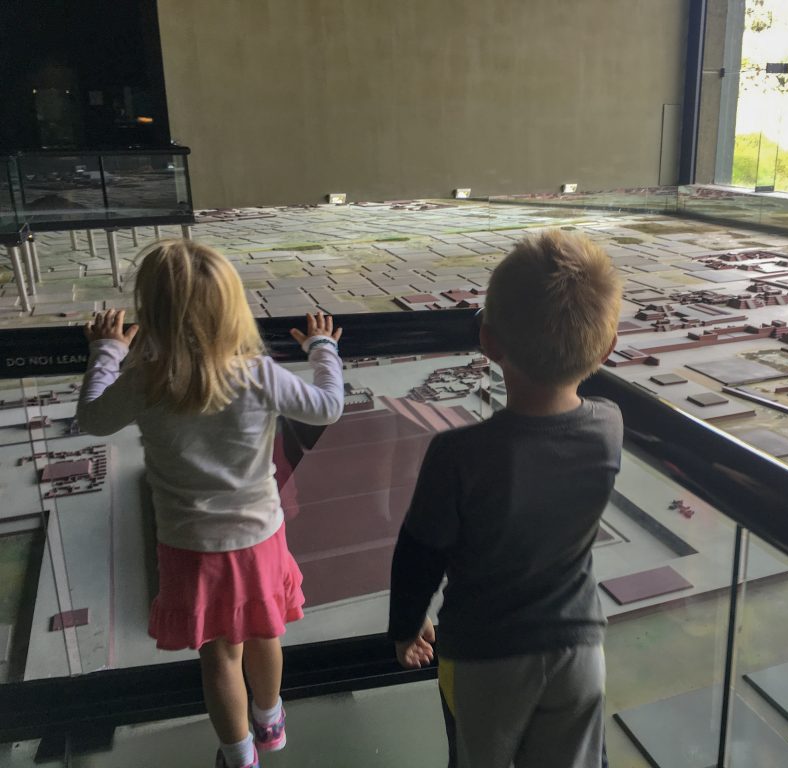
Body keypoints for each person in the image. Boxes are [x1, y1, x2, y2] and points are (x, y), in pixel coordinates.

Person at [76, 240, 345, 768]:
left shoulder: (145, 381)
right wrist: (322, 348)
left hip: (189, 547)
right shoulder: (258, 374)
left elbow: (92, 419)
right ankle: (271, 722)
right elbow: (329, 408)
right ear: (233, 307)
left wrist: (107, 351)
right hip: (260, 536)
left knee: (221, 655)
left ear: (151, 313)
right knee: (267, 631)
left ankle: (239, 756)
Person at [387, 230, 624, 768]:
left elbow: (419, 553)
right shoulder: (610, 426)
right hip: (579, 649)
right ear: (606, 350)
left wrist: (405, 627)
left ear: (488, 343)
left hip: (483, 656)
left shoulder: (457, 454)